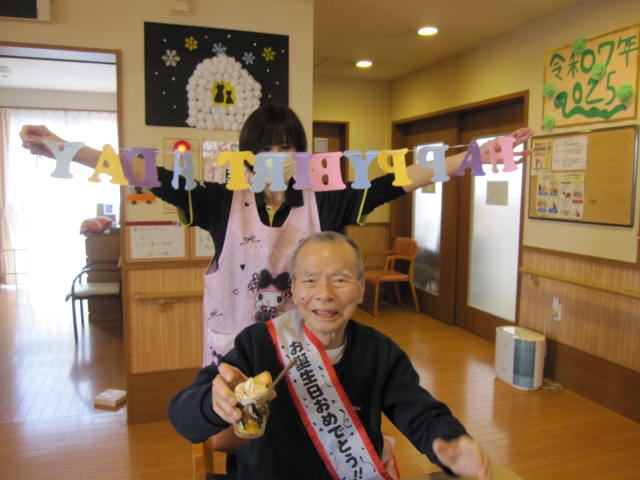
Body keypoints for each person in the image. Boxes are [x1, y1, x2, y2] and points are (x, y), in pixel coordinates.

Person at [20, 105, 533, 366]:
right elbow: (146, 173)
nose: (278, 156)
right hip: (236, 350)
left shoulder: (325, 200)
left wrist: (475, 157)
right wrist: (65, 148)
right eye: (266, 146)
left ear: (301, 153)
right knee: (242, 446)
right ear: (247, 153)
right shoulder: (219, 200)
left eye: (288, 146)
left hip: (309, 349)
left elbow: (395, 181)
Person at [168, 231, 492, 480]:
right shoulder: (258, 343)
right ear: (293, 288)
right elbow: (184, 418)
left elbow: (422, 415)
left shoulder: (380, 352)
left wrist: (450, 442)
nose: (325, 294)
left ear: (361, 288)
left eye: (340, 280)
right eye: (310, 280)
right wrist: (213, 403)